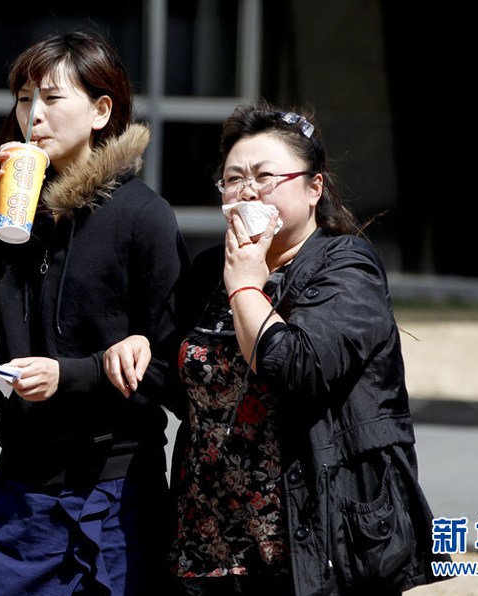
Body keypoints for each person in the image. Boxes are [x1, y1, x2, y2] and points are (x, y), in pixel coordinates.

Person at [104, 103, 452, 595]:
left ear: (314, 188)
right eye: (233, 178)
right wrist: (142, 346)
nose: (247, 190)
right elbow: (192, 383)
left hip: (311, 542)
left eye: (266, 177)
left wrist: (247, 286)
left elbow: (297, 367)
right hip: (207, 542)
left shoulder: (346, 267)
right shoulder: (209, 270)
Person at [0, 30, 188, 596]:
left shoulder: (143, 217)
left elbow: (175, 371)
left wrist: (70, 375)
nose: (34, 117)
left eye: (52, 99)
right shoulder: (15, 213)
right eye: (25, 100)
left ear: (101, 111)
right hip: (19, 486)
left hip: (118, 489)